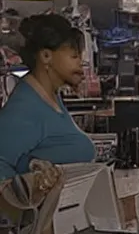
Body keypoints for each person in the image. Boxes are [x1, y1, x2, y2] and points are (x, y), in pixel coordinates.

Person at [0, 14, 95, 180]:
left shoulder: (51, 97)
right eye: (74, 56)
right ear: (46, 56)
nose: (81, 62)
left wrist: (32, 165)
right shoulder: (25, 108)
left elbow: (23, 159)